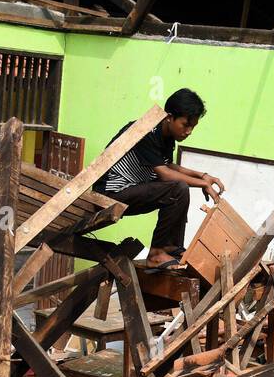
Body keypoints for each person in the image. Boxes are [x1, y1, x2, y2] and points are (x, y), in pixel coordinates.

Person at [94, 88, 225, 270]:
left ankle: (171, 249)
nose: (189, 131)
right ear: (169, 117)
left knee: (179, 188)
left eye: (193, 127)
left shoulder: (167, 136)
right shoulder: (145, 131)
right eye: (185, 124)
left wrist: (202, 176)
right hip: (111, 193)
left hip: (131, 189)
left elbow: (168, 166)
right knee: (177, 188)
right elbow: (165, 174)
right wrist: (202, 183)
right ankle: (156, 254)